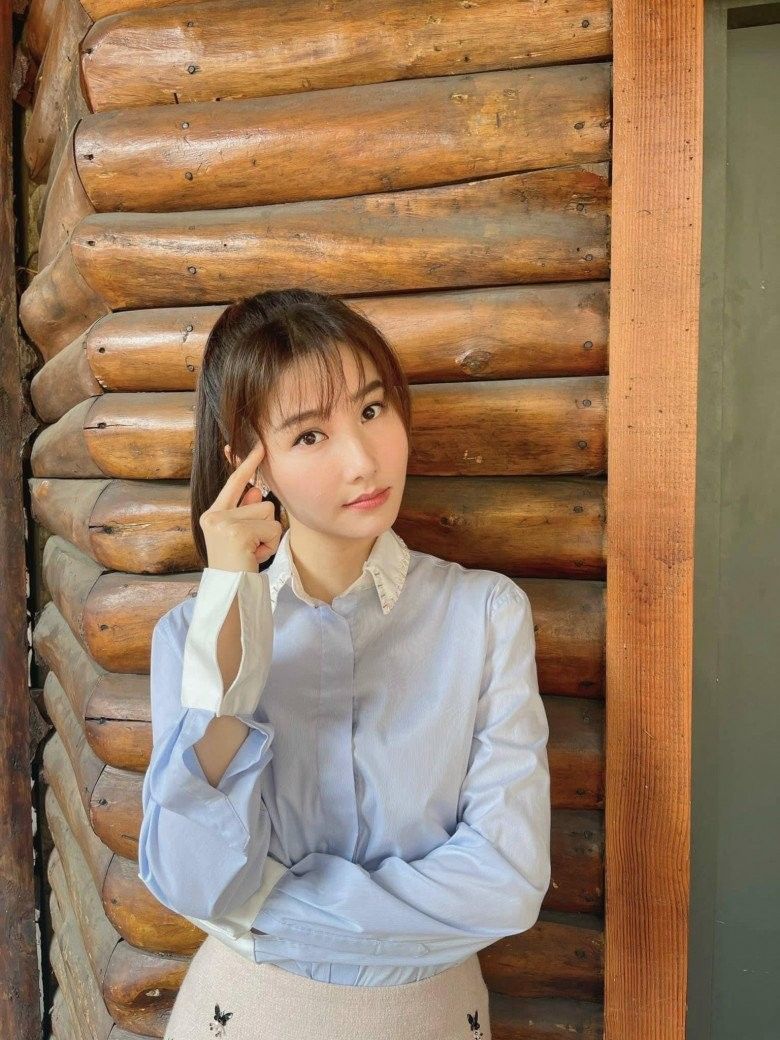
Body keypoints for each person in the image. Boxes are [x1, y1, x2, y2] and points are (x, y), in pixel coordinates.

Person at [137, 288, 551, 1039]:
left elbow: (509, 884)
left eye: (371, 409)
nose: (363, 461)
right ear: (250, 464)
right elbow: (193, 877)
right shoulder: (186, 638)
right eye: (309, 435)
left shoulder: (485, 614)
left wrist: (258, 909)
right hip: (246, 1018)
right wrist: (230, 610)